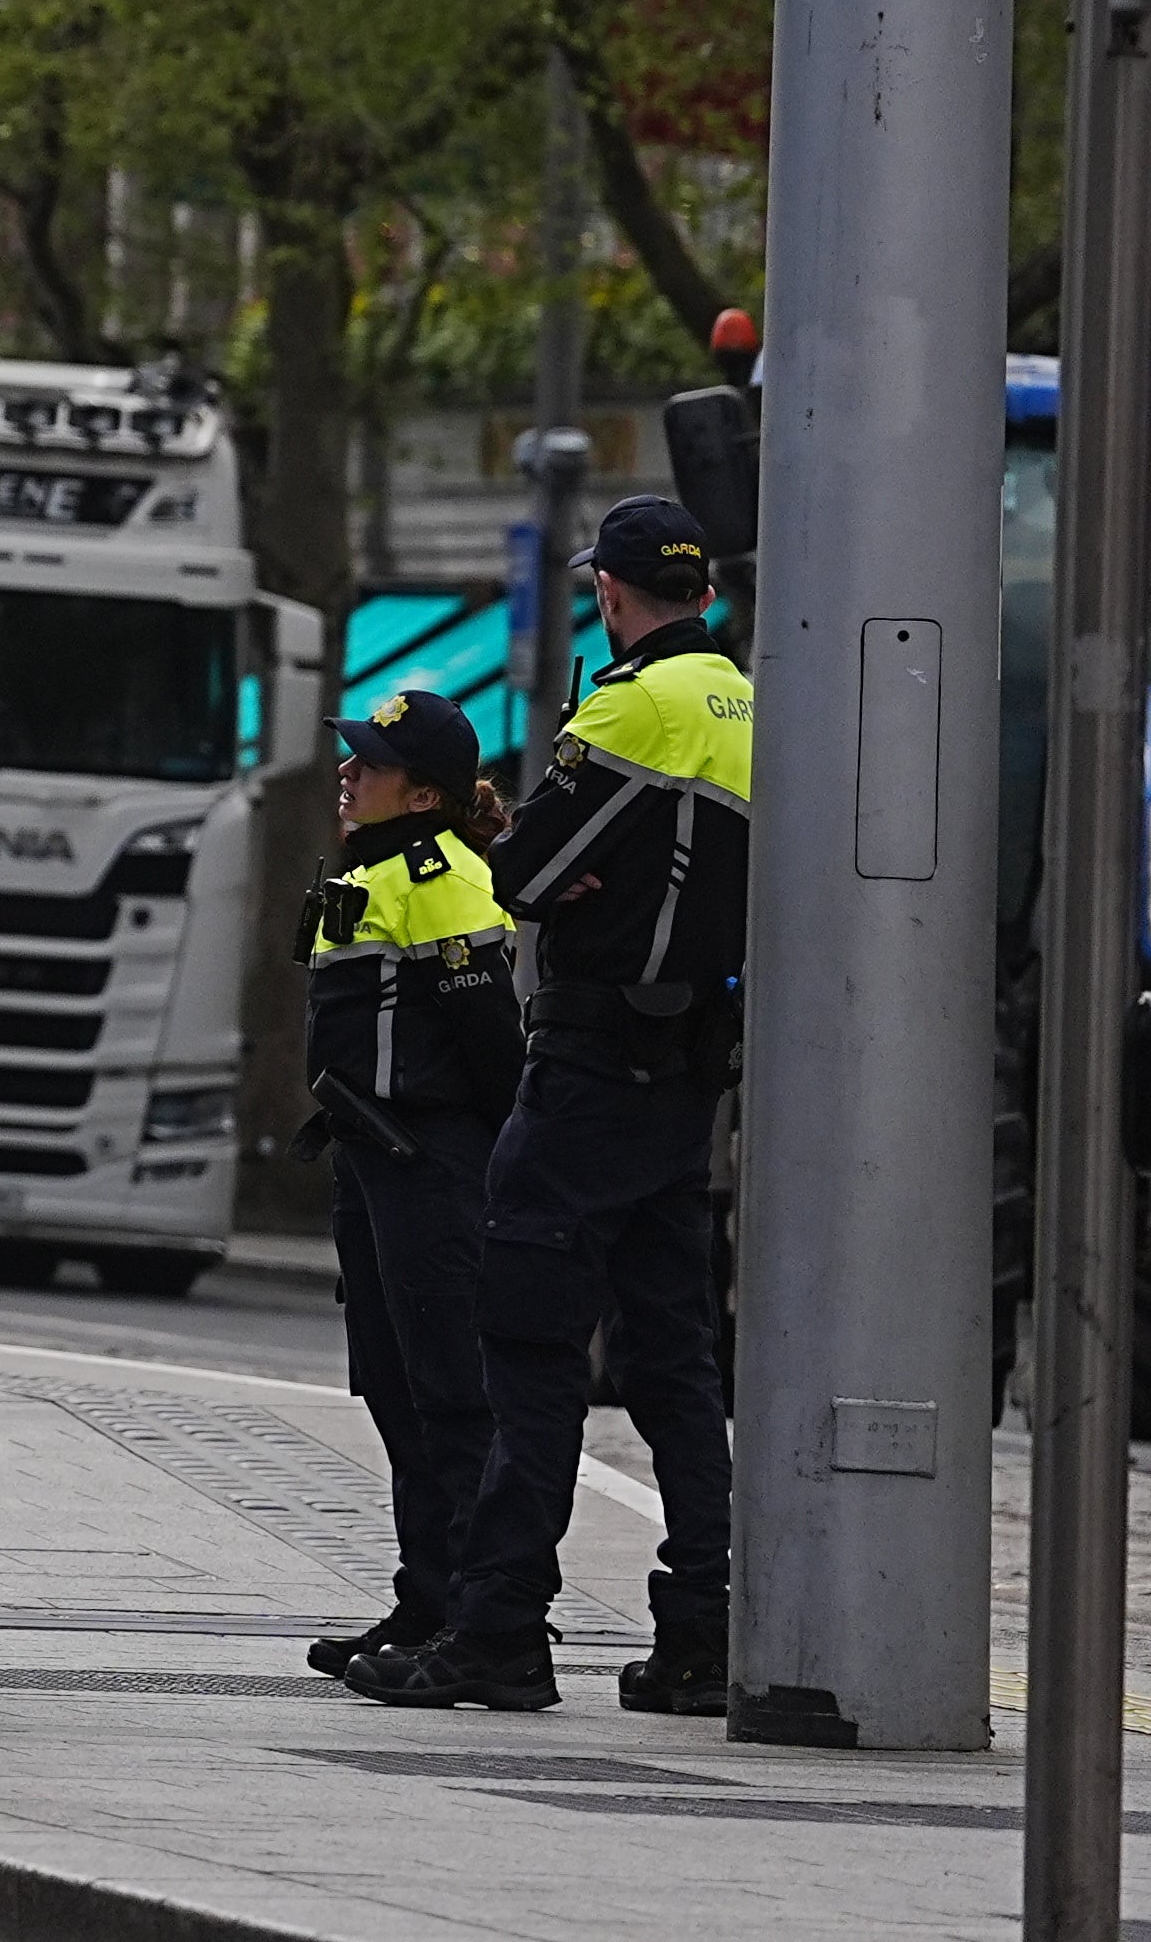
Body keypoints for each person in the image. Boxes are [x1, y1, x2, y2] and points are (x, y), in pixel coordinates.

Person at [347, 495, 750, 1717]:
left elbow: (519, 870)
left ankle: (499, 1630)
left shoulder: (634, 705)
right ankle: (702, 1631)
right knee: (673, 1356)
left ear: (613, 595)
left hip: (589, 1066)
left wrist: (561, 877)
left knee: (525, 1341)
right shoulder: (746, 699)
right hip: (687, 1074)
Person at [297, 687, 518, 1684]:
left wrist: (483, 1165)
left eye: (370, 765)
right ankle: (428, 1597)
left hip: (427, 1159)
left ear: (422, 793)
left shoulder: (442, 876)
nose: (349, 774)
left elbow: (492, 1047)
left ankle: (487, 1626)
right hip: (372, 1158)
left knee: (451, 1395)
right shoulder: (373, 868)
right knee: (393, 1387)